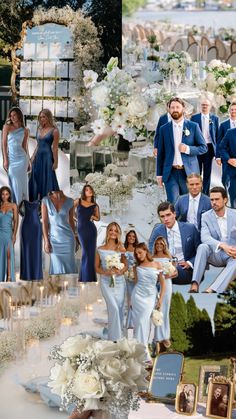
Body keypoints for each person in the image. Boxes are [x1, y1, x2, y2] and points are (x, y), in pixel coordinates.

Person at [156, 97, 207, 204]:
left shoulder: (193, 126)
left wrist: (188, 149)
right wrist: (159, 175)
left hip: (189, 173)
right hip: (171, 173)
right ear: (169, 110)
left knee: (189, 204)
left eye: (177, 107)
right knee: (173, 203)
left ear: (183, 108)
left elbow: (203, 147)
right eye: (172, 107)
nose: (175, 109)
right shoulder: (164, 129)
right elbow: (160, 154)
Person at [189, 186, 236, 293]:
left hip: (233, 254)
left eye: (217, 199)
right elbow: (205, 237)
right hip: (215, 253)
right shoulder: (205, 216)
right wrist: (222, 245)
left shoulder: (235, 214)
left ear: (225, 200)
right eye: (212, 200)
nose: (214, 202)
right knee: (202, 246)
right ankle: (195, 283)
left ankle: (212, 289)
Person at [149, 202, 200, 285]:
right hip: (163, 266)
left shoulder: (190, 228)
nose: (165, 219)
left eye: (168, 215)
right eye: (162, 216)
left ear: (174, 214)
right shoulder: (158, 230)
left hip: (184, 269)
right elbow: (150, 250)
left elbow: (200, 251)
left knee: (163, 274)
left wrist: (189, 263)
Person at [131, 243, 165, 362]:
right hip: (137, 296)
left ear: (146, 251)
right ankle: (143, 355)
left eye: (140, 252)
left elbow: (163, 284)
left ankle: (139, 353)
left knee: (145, 324)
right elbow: (135, 283)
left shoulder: (157, 264)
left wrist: (160, 299)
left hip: (150, 297)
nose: (138, 255)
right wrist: (130, 299)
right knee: (140, 323)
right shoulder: (136, 267)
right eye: (136, 254)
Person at [95, 222, 128, 341]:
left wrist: (121, 271)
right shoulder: (100, 249)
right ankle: (116, 338)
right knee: (113, 307)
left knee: (118, 309)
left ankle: (116, 337)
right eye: (111, 230)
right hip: (105, 282)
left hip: (119, 282)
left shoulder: (121, 249)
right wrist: (106, 272)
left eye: (115, 231)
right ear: (107, 232)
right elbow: (96, 268)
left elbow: (125, 265)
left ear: (118, 233)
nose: (113, 232)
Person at [41, 190, 77, 275]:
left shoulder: (70, 201)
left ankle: (70, 287)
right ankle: (58, 288)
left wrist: (75, 237)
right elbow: (45, 222)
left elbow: (71, 221)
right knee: (57, 267)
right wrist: (46, 241)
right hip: (54, 241)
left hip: (68, 240)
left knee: (69, 268)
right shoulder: (45, 200)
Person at [152, 236, 177, 349]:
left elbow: (175, 273)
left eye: (161, 244)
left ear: (164, 245)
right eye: (157, 244)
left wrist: (166, 276)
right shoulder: (152, 257)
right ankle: (157, 336)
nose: (159, 246)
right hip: (154, 285)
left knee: (165, 310)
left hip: (167, 284)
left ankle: (165, 336)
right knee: (156, 309)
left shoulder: (168, 257)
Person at [29, 109, 59, 201]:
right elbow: (38, 145)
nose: (42, 119)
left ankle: (47, 203)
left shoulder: (55, 130)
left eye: (44, 117)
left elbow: (55, 148)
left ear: (48, 117)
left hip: (47, 158)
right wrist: (32, 158)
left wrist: (55, 162)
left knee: (47, 178)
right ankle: (35, 203)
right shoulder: (39, 129)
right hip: (38, 157)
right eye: (40, 117)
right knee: (35, 178)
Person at [191, 98, 219, 195]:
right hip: (198, 147)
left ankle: (206, 193)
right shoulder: (194, 118)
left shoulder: (215, 118)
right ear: (200, 106)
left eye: (206, 105)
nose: (204, 107)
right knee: (197, 171)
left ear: (210, 106)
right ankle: (197, 192)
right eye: (203, 105)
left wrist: (217, 152)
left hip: (209, 147)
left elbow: (217, 135)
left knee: (207, 171)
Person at [1, 107, 29, 204]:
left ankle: (22, 206)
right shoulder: (7, 127)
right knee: (14, 182)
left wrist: (29, 161)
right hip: (12, 159)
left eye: (14, 115)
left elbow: (25, 147)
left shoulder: (25, 130)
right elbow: (4, 144)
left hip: (22, 159)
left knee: (23, 183)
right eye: (10, 116)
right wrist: (5, 159)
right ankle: (16, 205)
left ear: (19, 116)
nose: (12, 117)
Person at [74, 185, 100, 282]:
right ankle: (84, 277)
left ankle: (90, 278)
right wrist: (76, 219)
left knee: (91, 253)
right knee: (85, 252)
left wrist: (92, 217)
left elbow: (98, 218)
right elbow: (69, 210)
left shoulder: (95, 205)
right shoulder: (78, 201)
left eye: (90, 190)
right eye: (87, 190)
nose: (89, 191)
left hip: (91, 230)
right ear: (83, 192)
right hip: (81, 229)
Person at [19, 199, 43, 281]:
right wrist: (24, 215)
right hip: (26, 225)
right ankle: (26, 274)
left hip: (36, 226)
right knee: (26, 249)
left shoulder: (41, 200)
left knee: (36, 250)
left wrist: (38, 216)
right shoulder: (23, 200)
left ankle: (36, 274)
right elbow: (19, 210)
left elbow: (43, 212)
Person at [0, 186, 18, 281]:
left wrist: (14, 234)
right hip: (0, 233)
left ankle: (9, 277)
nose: (4, 196)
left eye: (6, 194)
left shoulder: (13, 205)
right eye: (3, 194)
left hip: (9, 233)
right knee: (1, 255)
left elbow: (16, 221)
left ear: (9, 195)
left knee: (9, 255)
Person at [216, 101, 236, 188]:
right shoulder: (223, 125)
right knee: (225, 178)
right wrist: (218, 156)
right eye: (231, 109)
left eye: (235, 109)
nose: (233, 111)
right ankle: (227, 193)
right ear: (229, 111)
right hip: (227, 156)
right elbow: (219, 141)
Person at [124, 229, 139, 328]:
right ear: (127, 237)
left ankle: (134, 322)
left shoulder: (137, 250)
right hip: (126, 278)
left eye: (133, 236)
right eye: (130, 236)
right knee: (128, 299)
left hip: (136, 278)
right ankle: (129, 323)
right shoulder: (123, 249)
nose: (131, 238)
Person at [219, 126, 236, 208]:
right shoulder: (230, 132)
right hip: (234, 172)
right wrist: (229, 159)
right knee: (234, 198)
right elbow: (222, 147)